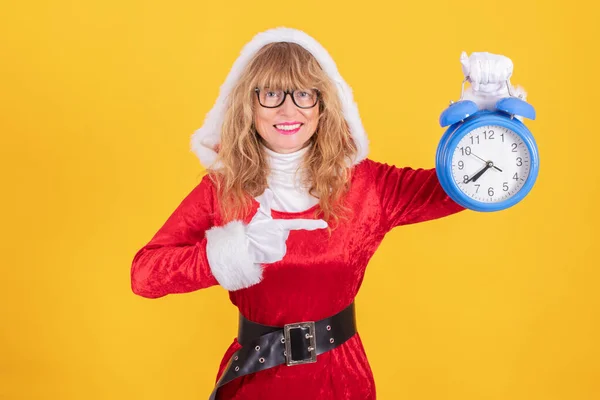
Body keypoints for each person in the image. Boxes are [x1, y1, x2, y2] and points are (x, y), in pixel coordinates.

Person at [131, 27, 527, 400]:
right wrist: (230, 254)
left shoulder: (367, 185)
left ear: (323, 104)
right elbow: (145, 275)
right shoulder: (221, 190)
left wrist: (484, 121)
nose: (288, 109)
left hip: (342, 380)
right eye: (271, 94)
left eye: (304, 94)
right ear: (248, 106)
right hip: (254, 381)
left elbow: (458, 191)